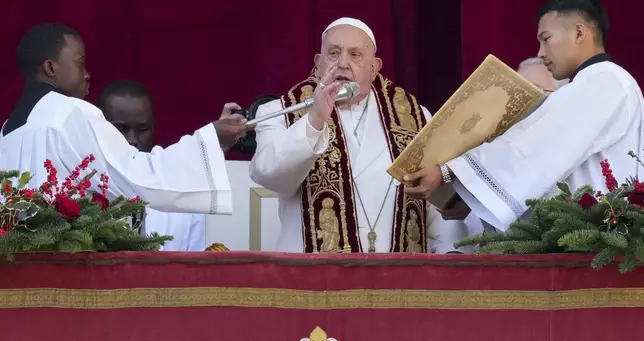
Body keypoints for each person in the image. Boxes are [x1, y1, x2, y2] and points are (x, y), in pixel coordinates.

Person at [404, 0, 644, 232]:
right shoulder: (601, 82)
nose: (541, 52)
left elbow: (533, 147)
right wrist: (470, 197)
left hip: (590, 246)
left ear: (579, 33)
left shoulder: (603, 81)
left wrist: (449, 171)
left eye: (546, 39)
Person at [249, 17, 482, 253]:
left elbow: (434, 202)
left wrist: (453, 253)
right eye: (333, 53)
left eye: (355, 54)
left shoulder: (416, 117)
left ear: (374, 68)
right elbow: (271, 176)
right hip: (316, 282)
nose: (342, 63)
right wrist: (315, 121)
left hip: (399, 280)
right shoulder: (279, 112)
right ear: (318, 63)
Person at [0, 23, 250, 217]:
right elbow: (135, 179)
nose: (87, 75)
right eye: (80, 64)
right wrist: (211, 138)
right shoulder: (70, 112)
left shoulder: (8, 130)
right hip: (66, 269)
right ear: (50, 68)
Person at [98, 79, 207, 251]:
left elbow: (194, 266)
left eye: (142, 130)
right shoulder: (79, 186)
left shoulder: (184, 189)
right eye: (121, 129)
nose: (132, 140)